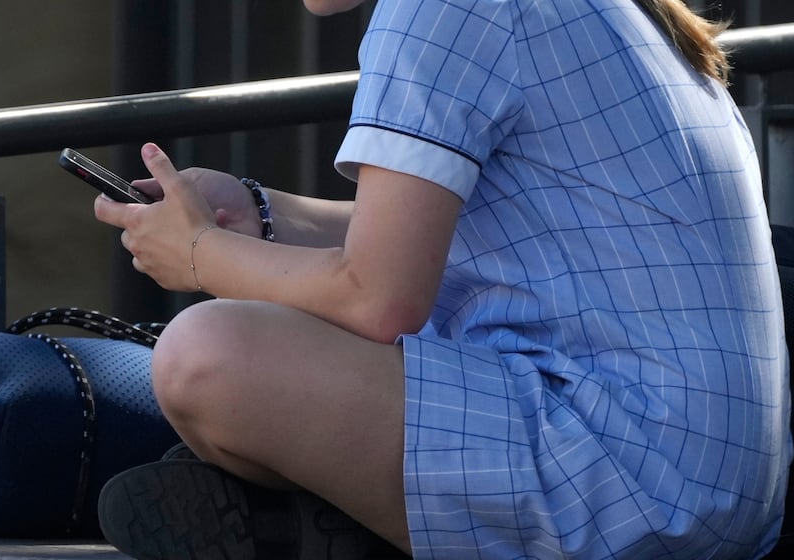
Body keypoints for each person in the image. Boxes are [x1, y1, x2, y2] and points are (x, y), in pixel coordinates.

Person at [92, 0, 792, 558]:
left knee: (203, 358)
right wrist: (260, 213)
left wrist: (199, 258)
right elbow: (444, 229)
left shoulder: (439, 8)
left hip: (621, 489)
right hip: (719, 494)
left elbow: (378, 298)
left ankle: (328, 522)